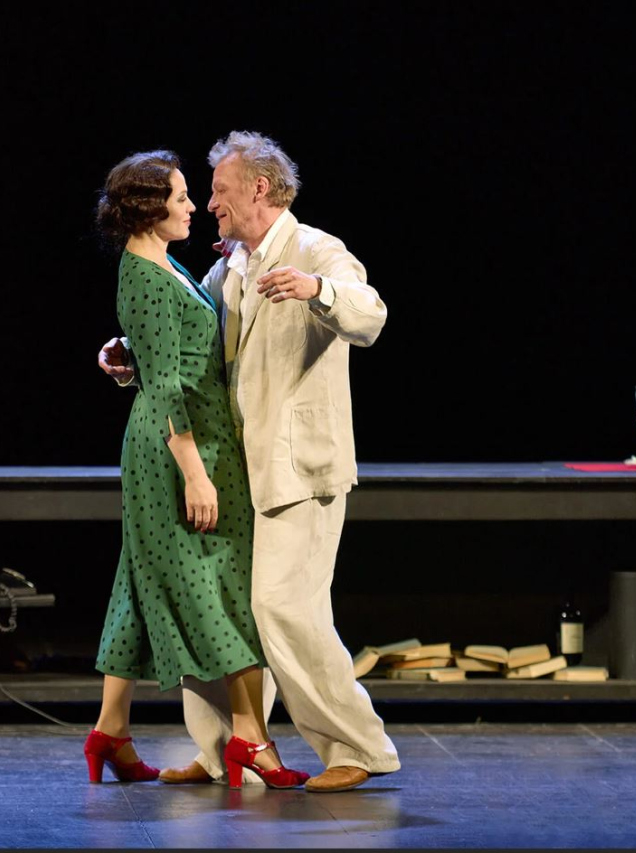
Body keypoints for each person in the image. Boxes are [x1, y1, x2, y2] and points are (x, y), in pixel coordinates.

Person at [99, 131, 399, 793]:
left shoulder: (316, 249)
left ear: (259, 188)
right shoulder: (229, 265)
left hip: (298, 467)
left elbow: (371, 314)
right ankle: (221, 751)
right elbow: (190, 345)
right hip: (234, 465)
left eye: (219, 190)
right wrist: (130, 354)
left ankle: (356, 745)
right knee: (220, 603)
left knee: (284, 608)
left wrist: (317, 289)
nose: (210, 204)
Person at [84, 149, 308, 790]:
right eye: (181, 197)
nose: (194, 207)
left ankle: (110, 731)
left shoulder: (165, 265)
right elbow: (164, 388)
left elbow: (162, 354)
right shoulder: (147, 276)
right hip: (180, 449)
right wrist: (196, 473)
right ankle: (250, 739)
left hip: (191, 442)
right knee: (220, 582)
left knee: (140, 580)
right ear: (148, 209)